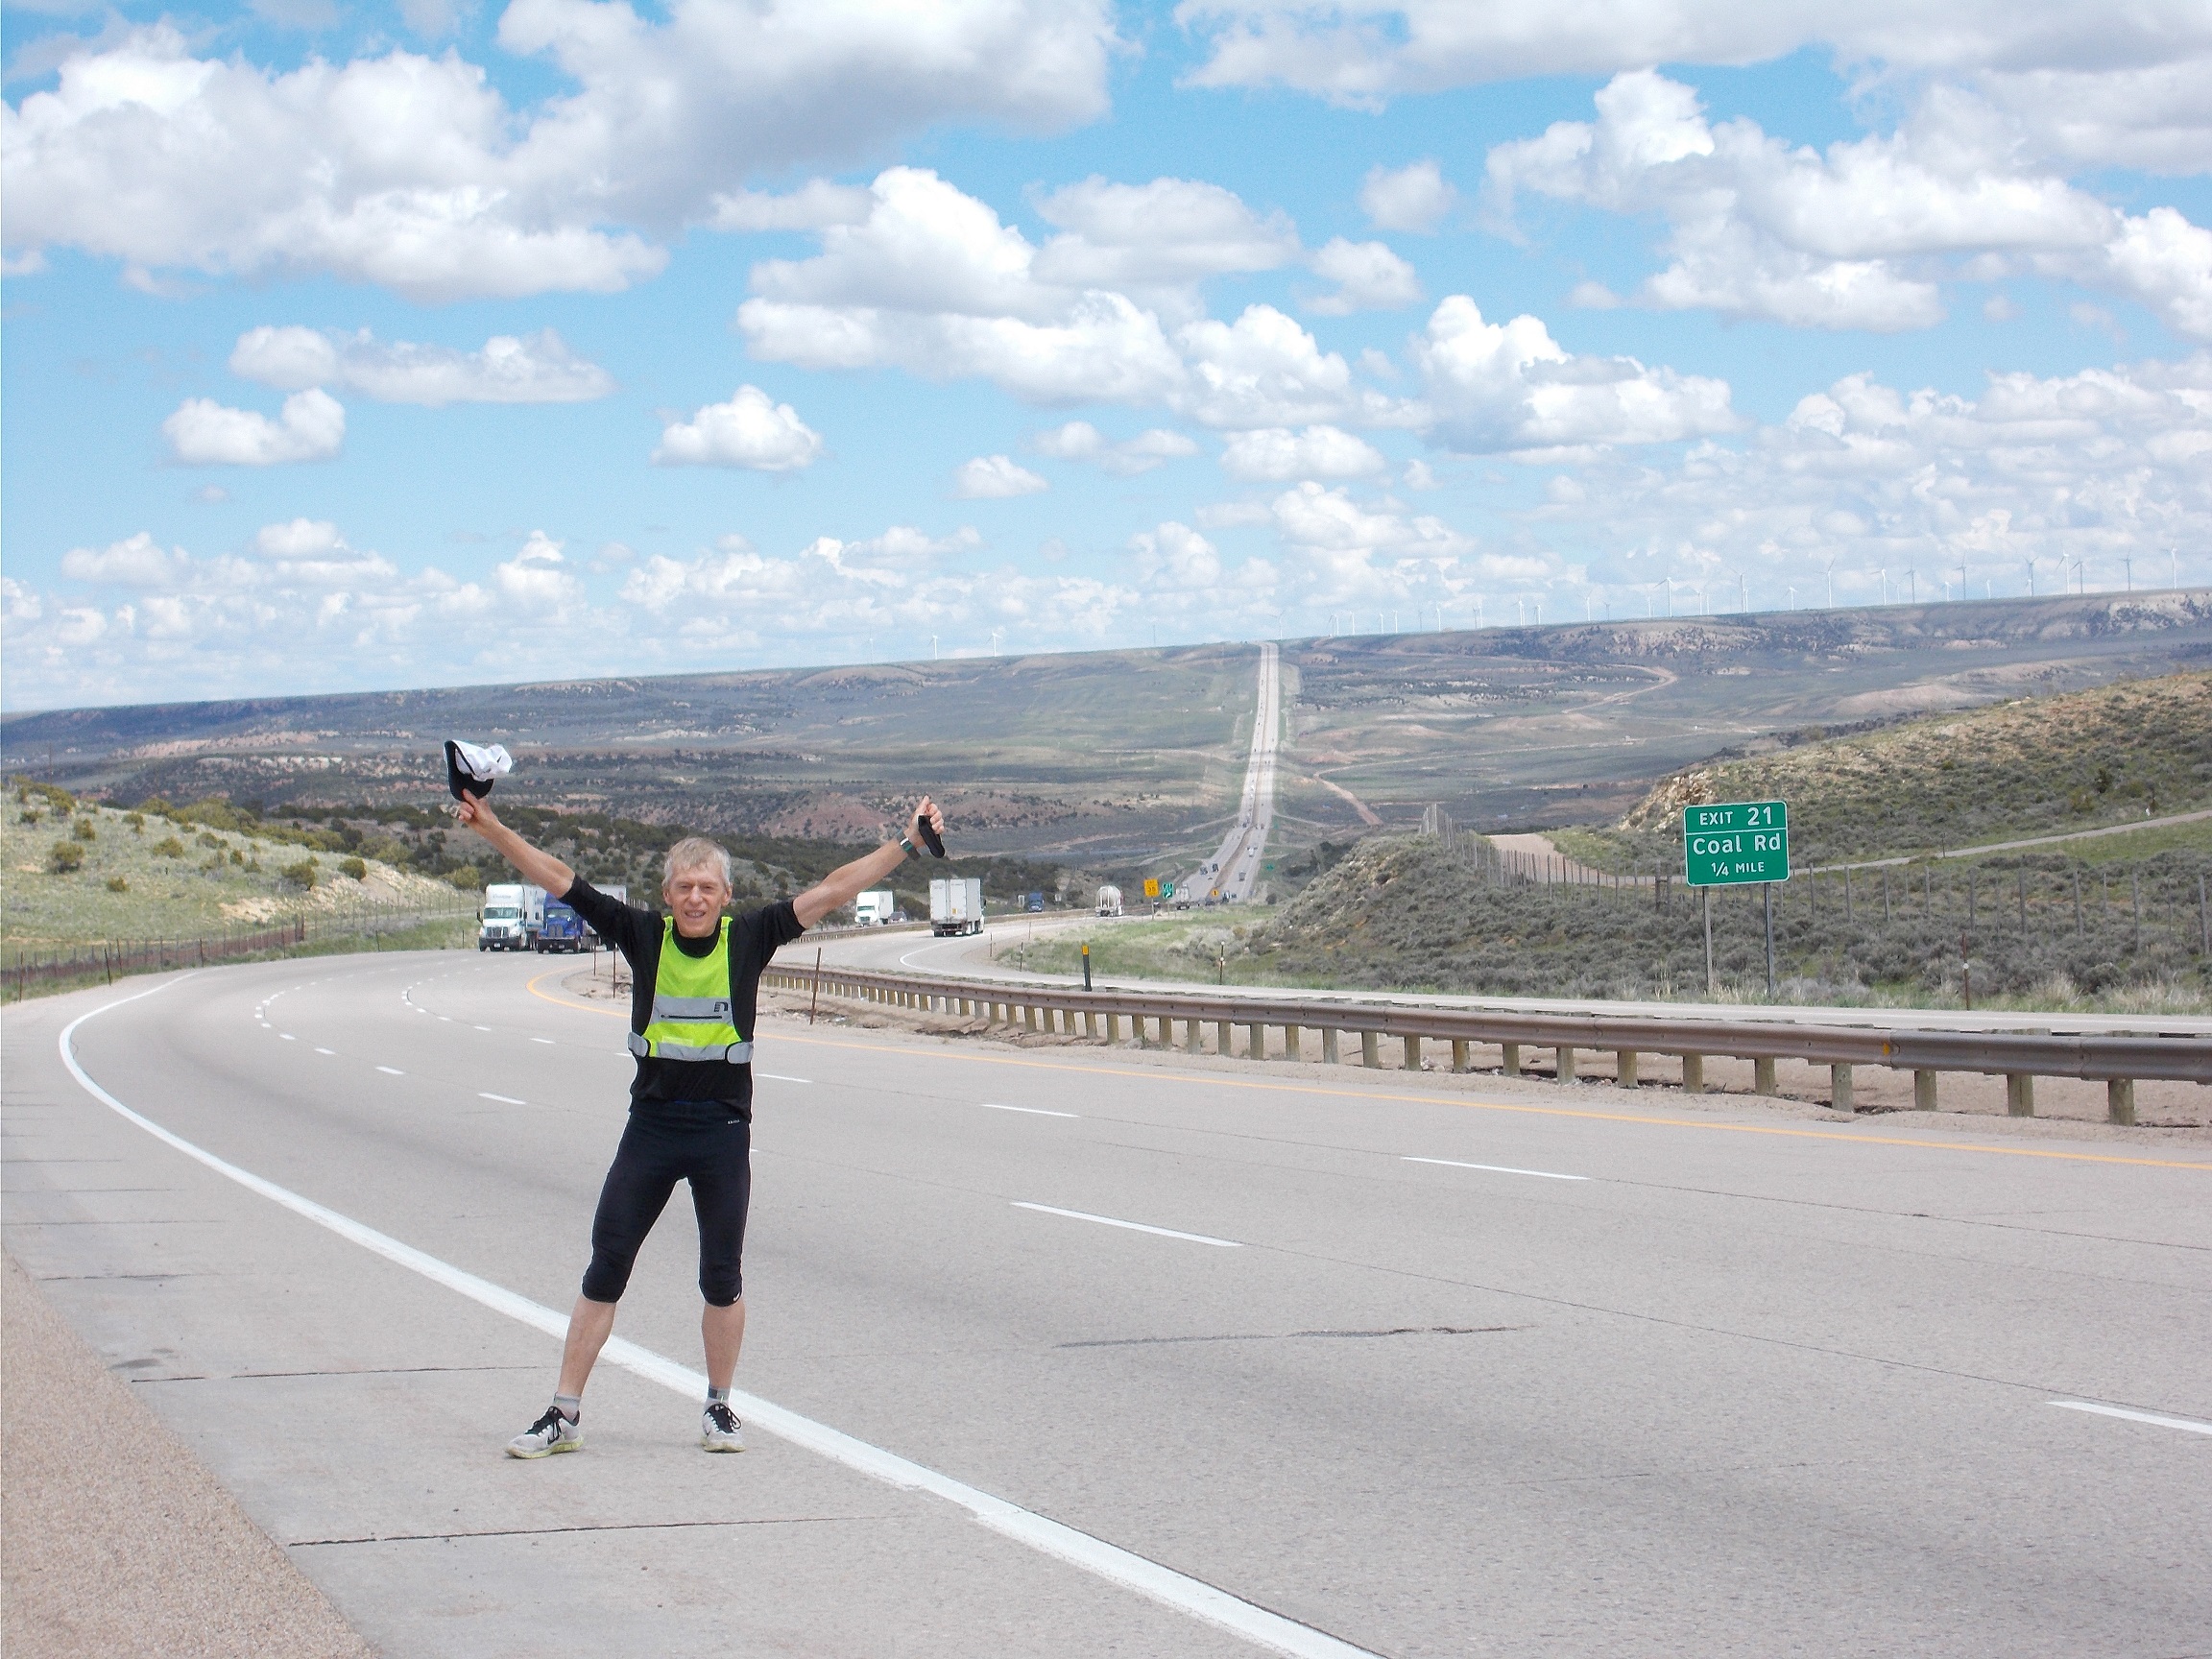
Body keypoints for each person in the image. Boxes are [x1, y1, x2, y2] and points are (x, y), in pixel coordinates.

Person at [454, 790, 946, 1457]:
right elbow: (557, 878)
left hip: (720, 1135)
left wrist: (908, 846)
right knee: (606, 1266)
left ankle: (720, 1407)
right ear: (667, 892)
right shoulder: (640, 935)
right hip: (651, 1130)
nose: (694, 898)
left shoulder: (749, 938)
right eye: (684, 887)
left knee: (722, 1274)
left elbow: (832, 890)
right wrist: (489, 827)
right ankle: (563, 1413)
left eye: (706, 887)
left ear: (724, 894)